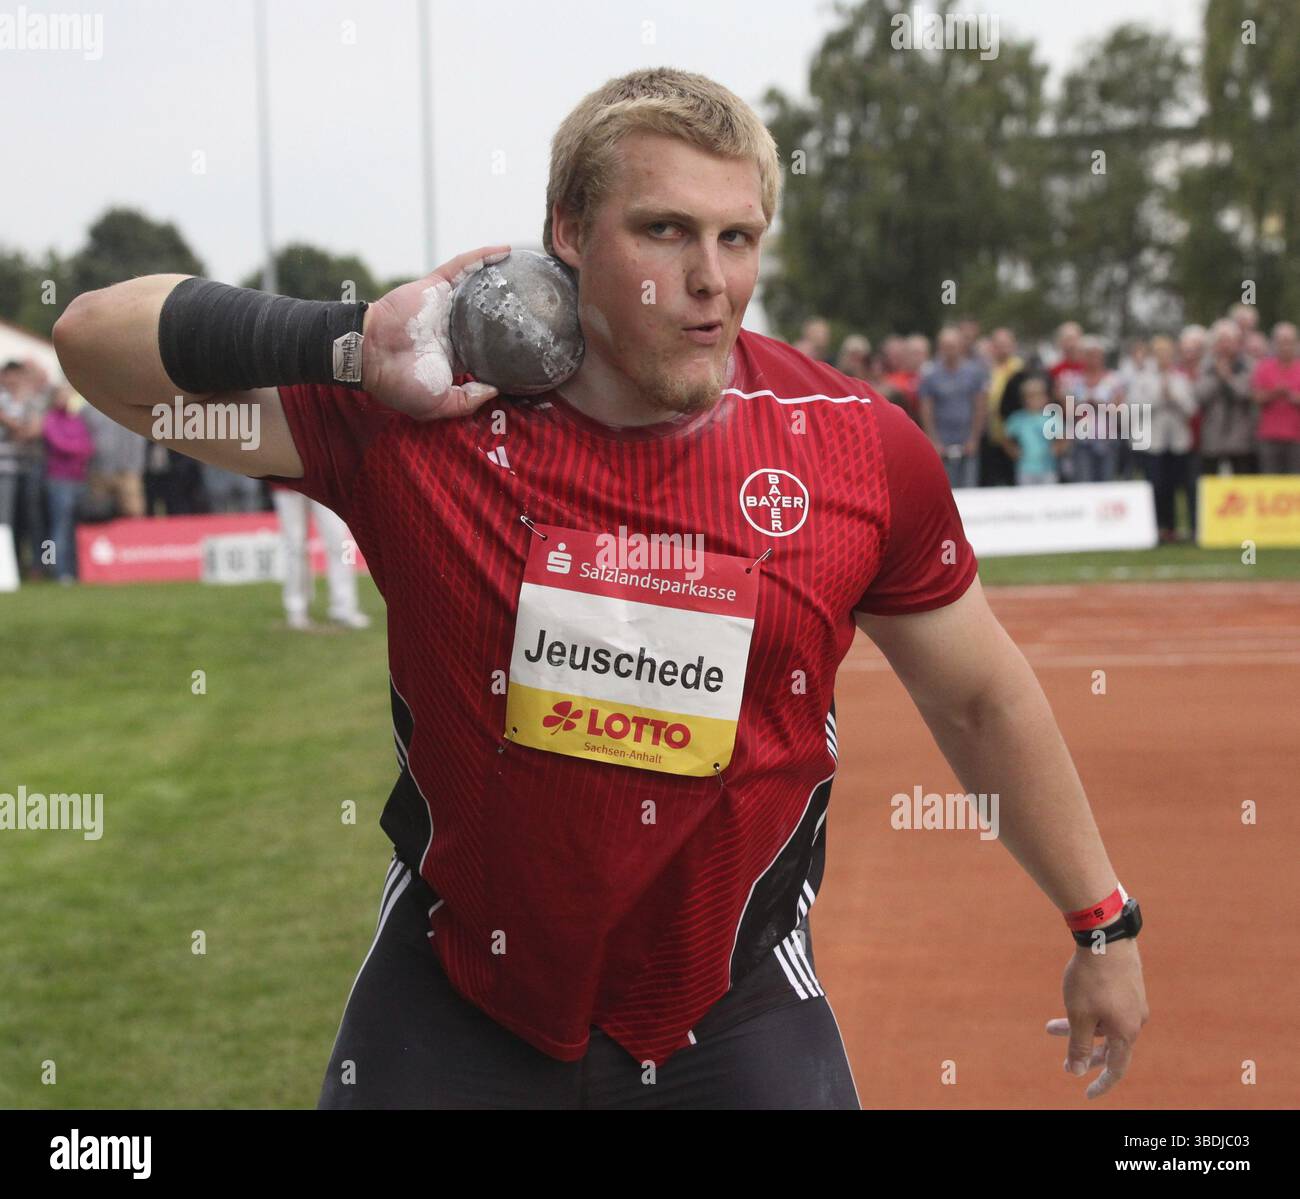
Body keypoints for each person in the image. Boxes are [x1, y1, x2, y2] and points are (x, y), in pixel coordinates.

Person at [53, 66, 1147, 1110]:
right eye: (664, 230)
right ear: (569, 233)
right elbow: (93, 340)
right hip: (460, 985)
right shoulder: (423, 419)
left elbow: (980, 696)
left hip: (731, 1001)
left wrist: (1102, 922)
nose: (710, 278)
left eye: (738, 237)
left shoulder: (856, 450)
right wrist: (343, 341)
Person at [269, 482, 370, 630]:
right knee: (294, 547)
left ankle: (345, 606)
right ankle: (296, 609)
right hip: (285, 479)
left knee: (343, 543)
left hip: (325, 478)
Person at [1128, 335, 1197, 542]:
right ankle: (1157, 528)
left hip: (1177, 442)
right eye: (1159, 354)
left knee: (1177, 486)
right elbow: (1134, 407)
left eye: (1167, 354)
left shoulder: (1181, 379)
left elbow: (1192, 409)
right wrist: (1159, 397)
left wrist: (1174, 397)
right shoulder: (1142, 379)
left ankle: (1175, 528)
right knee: (1156, 486)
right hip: (1153, 443)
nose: (1163, 358)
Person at [917, 326, 988, 488]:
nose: (950, 351)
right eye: (946, 346)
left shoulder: (974, 372)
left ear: (960, 346)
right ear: (940, 348)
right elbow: (926, 409)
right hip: (942, 442)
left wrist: (974, 438)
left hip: (967, 441)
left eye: (953, 346)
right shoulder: (930, 374)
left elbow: (980, 406)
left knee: (970, 487)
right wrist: (933, 440)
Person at [41, 386, 95, 583]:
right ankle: (59, 571)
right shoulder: (50, 419)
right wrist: (78, 448)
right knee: (60, 527)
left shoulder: (76, 419)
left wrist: (78, 447)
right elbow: (59, 444)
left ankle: (76, 569)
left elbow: (88, 444)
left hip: (78, 479)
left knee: (76, 528)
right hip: (59, 480)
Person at [1195, 320, 1256, 476]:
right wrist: (1217, 377)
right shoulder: (1205, 366)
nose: (1225, 346)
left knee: (1241, 486)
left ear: (1237, 343)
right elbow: (1200, 395)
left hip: (1241, 441)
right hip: (1213, 440)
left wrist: (1228, 378)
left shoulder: (1248, 365)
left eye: (1229, 341)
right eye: (1221, 341)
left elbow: (1247, 393)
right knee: (1211, 485)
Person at [1067, 337, 1122, 484]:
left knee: (1106, 483)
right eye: (1089, 355)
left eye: (1097, 355)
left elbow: (1119, 409)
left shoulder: (1113, 379)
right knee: (1084, 482)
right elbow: (1068, 410)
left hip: (1107, 441)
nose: (1093, 359)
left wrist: (1097, 404)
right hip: (1082, 442)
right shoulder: (1075, 381)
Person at [1250, 322, 1300, 474]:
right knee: (1269, 480)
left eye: (1289, 342)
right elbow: (1256, 398)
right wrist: (1275, 393)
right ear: (1274, 344)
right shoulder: (1263, 367)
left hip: (1296, 437)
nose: (1285, 347)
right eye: (1281, 342)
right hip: (1269, 437)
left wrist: (1293, 396)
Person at [980, 327, 1023, 487]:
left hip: (1014, 435)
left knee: (1013, 481)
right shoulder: (985, 369)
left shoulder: (1020, 369)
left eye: (1006, 344)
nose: (1002, 349)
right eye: (998, 345)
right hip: (991, 435)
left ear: (1014, 345)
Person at [1002, 374, 1062, 485]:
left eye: (1038, 395)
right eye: (1030, 396)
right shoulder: (1017, 418)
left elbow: (1063, 438)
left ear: (1046, 397)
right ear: (1023, 399)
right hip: (1025, 468)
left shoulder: (1052, 417)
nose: (1034, 399)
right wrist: (1014, 451)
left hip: (1048, 467)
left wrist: (1056, 449)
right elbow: (1005, 439)